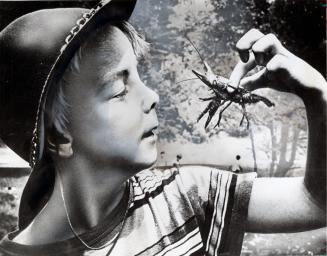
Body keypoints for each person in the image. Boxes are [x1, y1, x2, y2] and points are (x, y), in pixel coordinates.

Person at [0, 0, 325, 255]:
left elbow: (316, 202)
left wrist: (318, 93)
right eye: (119, 89)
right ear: (59, 135)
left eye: (139, 76)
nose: (152, 96)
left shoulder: (187, 195)